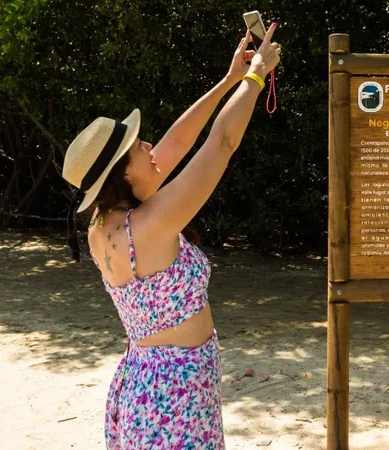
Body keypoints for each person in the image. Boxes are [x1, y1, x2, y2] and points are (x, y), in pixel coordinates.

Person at [62, 23, 281, 449]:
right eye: (141, 145)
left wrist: (230, 79)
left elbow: (179, 141)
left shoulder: (103, 225)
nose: (150, 147)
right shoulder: (151, 225)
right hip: (174, 395)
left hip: (149, 383)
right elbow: (221, 142)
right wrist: (256, 77)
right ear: (123, 173)